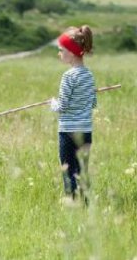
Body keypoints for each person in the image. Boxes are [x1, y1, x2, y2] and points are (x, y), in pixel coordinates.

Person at [50, 25, 96, 203]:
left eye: (61, 50)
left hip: (68, 131)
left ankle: (72, 204)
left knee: (68, 169)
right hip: (85, 131)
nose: (59, 54)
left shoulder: (68, 76)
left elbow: (62, 106)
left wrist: (52, 103)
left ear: (71, 51)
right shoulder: (89, 75)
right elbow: (92, 103)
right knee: (82, 170)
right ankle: (85, 203)